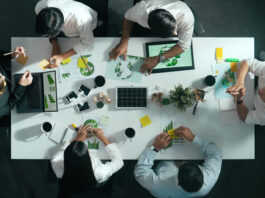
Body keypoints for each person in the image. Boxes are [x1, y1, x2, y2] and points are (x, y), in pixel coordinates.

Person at [109, 0, 194, 74]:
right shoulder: (141, 12)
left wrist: (158, 59)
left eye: (175, 27)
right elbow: (127, 18)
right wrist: (124, 42)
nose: (176, 34)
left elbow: (184, 46)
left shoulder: (186, 16)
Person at [134, 126, 222, 198]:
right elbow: (216, 153)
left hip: (162, 158)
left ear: (179, 182)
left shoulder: (159, 187)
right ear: (202, 175)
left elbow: (140, 172)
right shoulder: (209, 179)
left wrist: (155, 148)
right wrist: (193, 138)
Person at [51, 124, 124, 197]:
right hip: (94, 189)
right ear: (88, 156)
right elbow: (118, 162)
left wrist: (77, 141)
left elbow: (61, 152)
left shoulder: (58, 167)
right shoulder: (100, 172)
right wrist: (102, 137)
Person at [35, 0, 97, 68]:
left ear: (61, 25)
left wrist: (62, 57)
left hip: (88, 26)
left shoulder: (82, 19)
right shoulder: (40, 7)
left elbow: (88, 43)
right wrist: (54, 44)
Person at [227, 59, 265, 125]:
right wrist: (240, 81)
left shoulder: (263, 117)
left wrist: (238, 99)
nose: (261, 92)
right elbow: (247, 62)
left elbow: (245, 117)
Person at [0, 47, 33, 122]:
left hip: (12, 69)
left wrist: (11, 55)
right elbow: (9, 106)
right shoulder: (1, 109)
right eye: (3, 81)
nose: (4, 76)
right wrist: (21, 86)